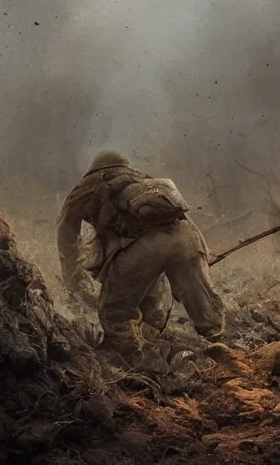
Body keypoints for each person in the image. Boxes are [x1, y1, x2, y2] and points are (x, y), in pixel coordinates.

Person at [57, 150, 225, 369]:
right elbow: (180, 217)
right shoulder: (142, 178)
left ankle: (145, 368)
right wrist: (200, 258)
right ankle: (221, 347)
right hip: (186, 235)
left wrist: (73, 279)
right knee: (200, 301)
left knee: (114, 312)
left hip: (144, 247)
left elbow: (66, 232)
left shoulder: (86, 186)